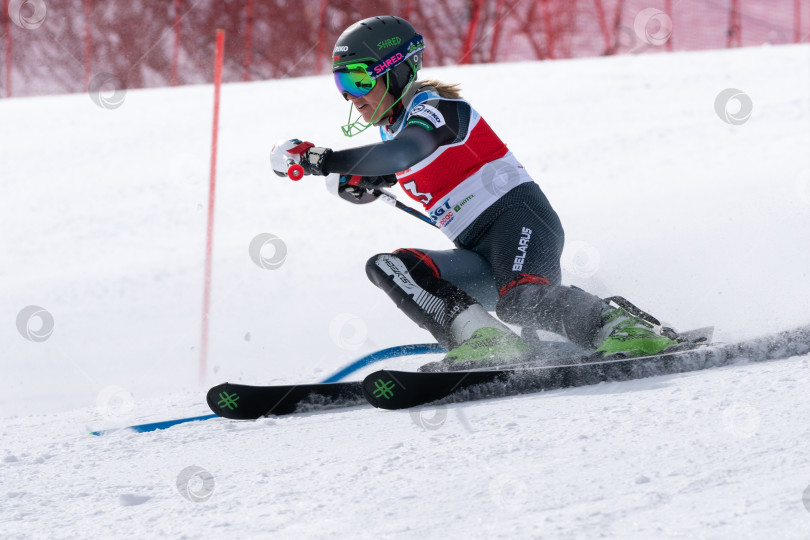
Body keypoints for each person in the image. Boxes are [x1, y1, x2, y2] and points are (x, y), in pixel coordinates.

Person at [271, 15, 685, 371]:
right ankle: (489, 342)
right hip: (478, 251)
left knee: (520, 300)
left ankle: (624, 328)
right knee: (389, 267)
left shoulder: (437, 110)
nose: (350, 95)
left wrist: (324, 160)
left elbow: (406, 151)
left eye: (358, 78)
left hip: (518, 221)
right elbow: (395, 161)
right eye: (341, 82)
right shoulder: (391, 130)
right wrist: (364, 180)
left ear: (396, 71)